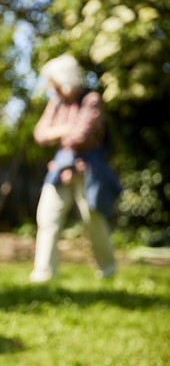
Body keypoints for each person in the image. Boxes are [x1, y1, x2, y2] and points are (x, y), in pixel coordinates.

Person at [29, 53, 122, 283]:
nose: (51, 88)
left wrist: (60, 132)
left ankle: (108, 271)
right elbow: (40, 134)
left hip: (88, 170)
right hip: (60, 168)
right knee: (47, 217)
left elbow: (82, 135)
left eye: (54, 82)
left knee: (93, 219)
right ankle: (43, 274)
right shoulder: (56, 103)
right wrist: (68, 128)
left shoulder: (91, 100)